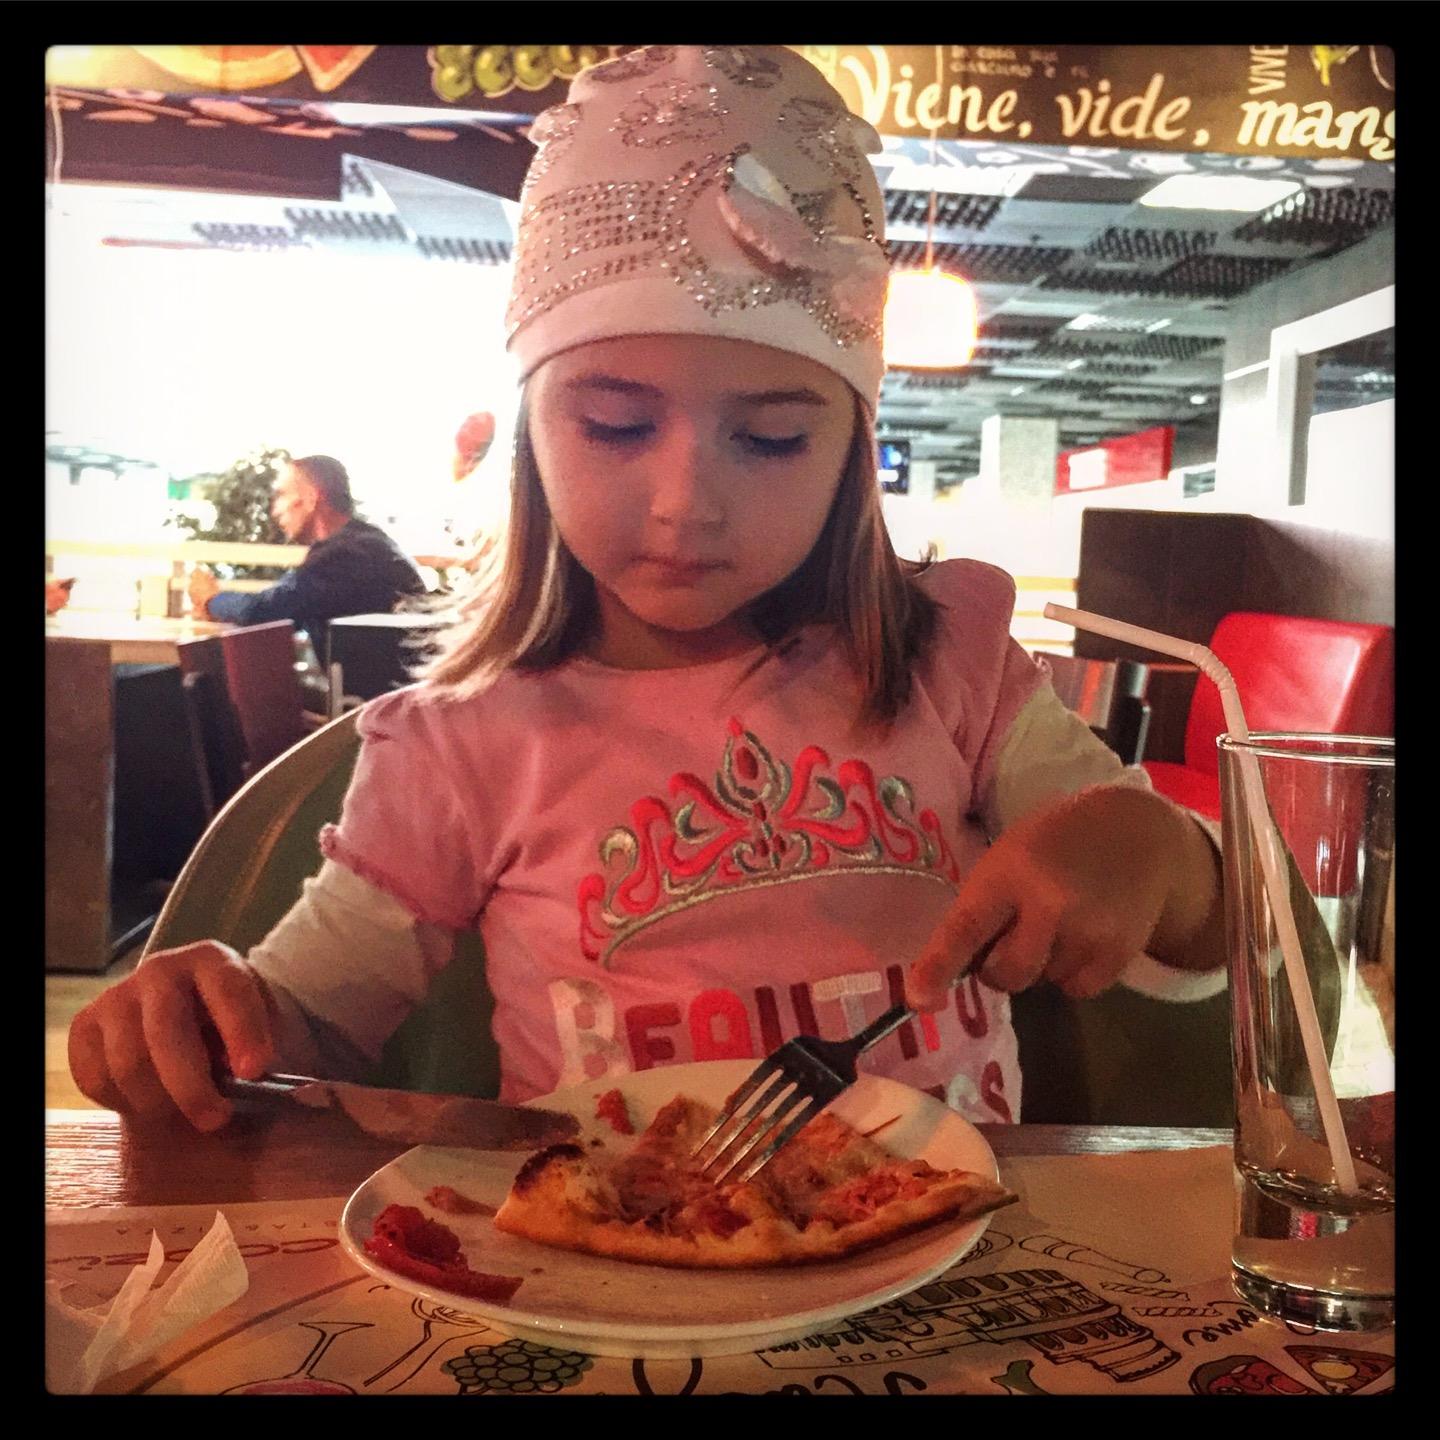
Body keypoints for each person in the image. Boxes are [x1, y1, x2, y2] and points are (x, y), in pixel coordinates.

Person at [70, 46, 1227, 1134]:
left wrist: (1151, 851)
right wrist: (212, 1016)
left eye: (770, 440)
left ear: (849, 455)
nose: (685, 505)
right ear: (533, 433)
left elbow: (1219, 926)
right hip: (604, 1251)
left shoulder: (946, 662)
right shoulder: (461, 745)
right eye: (616, 425)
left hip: (957, 1252)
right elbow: (308, 1019)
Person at [187, 455, 426, 659]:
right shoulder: (364, 543)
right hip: (387, 688)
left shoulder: (346, 555)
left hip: (375, 696)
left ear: (312, 498)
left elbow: (262, 611)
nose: (275, 510)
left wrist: (210, 599)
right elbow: (283, 602)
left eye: (281, 495)